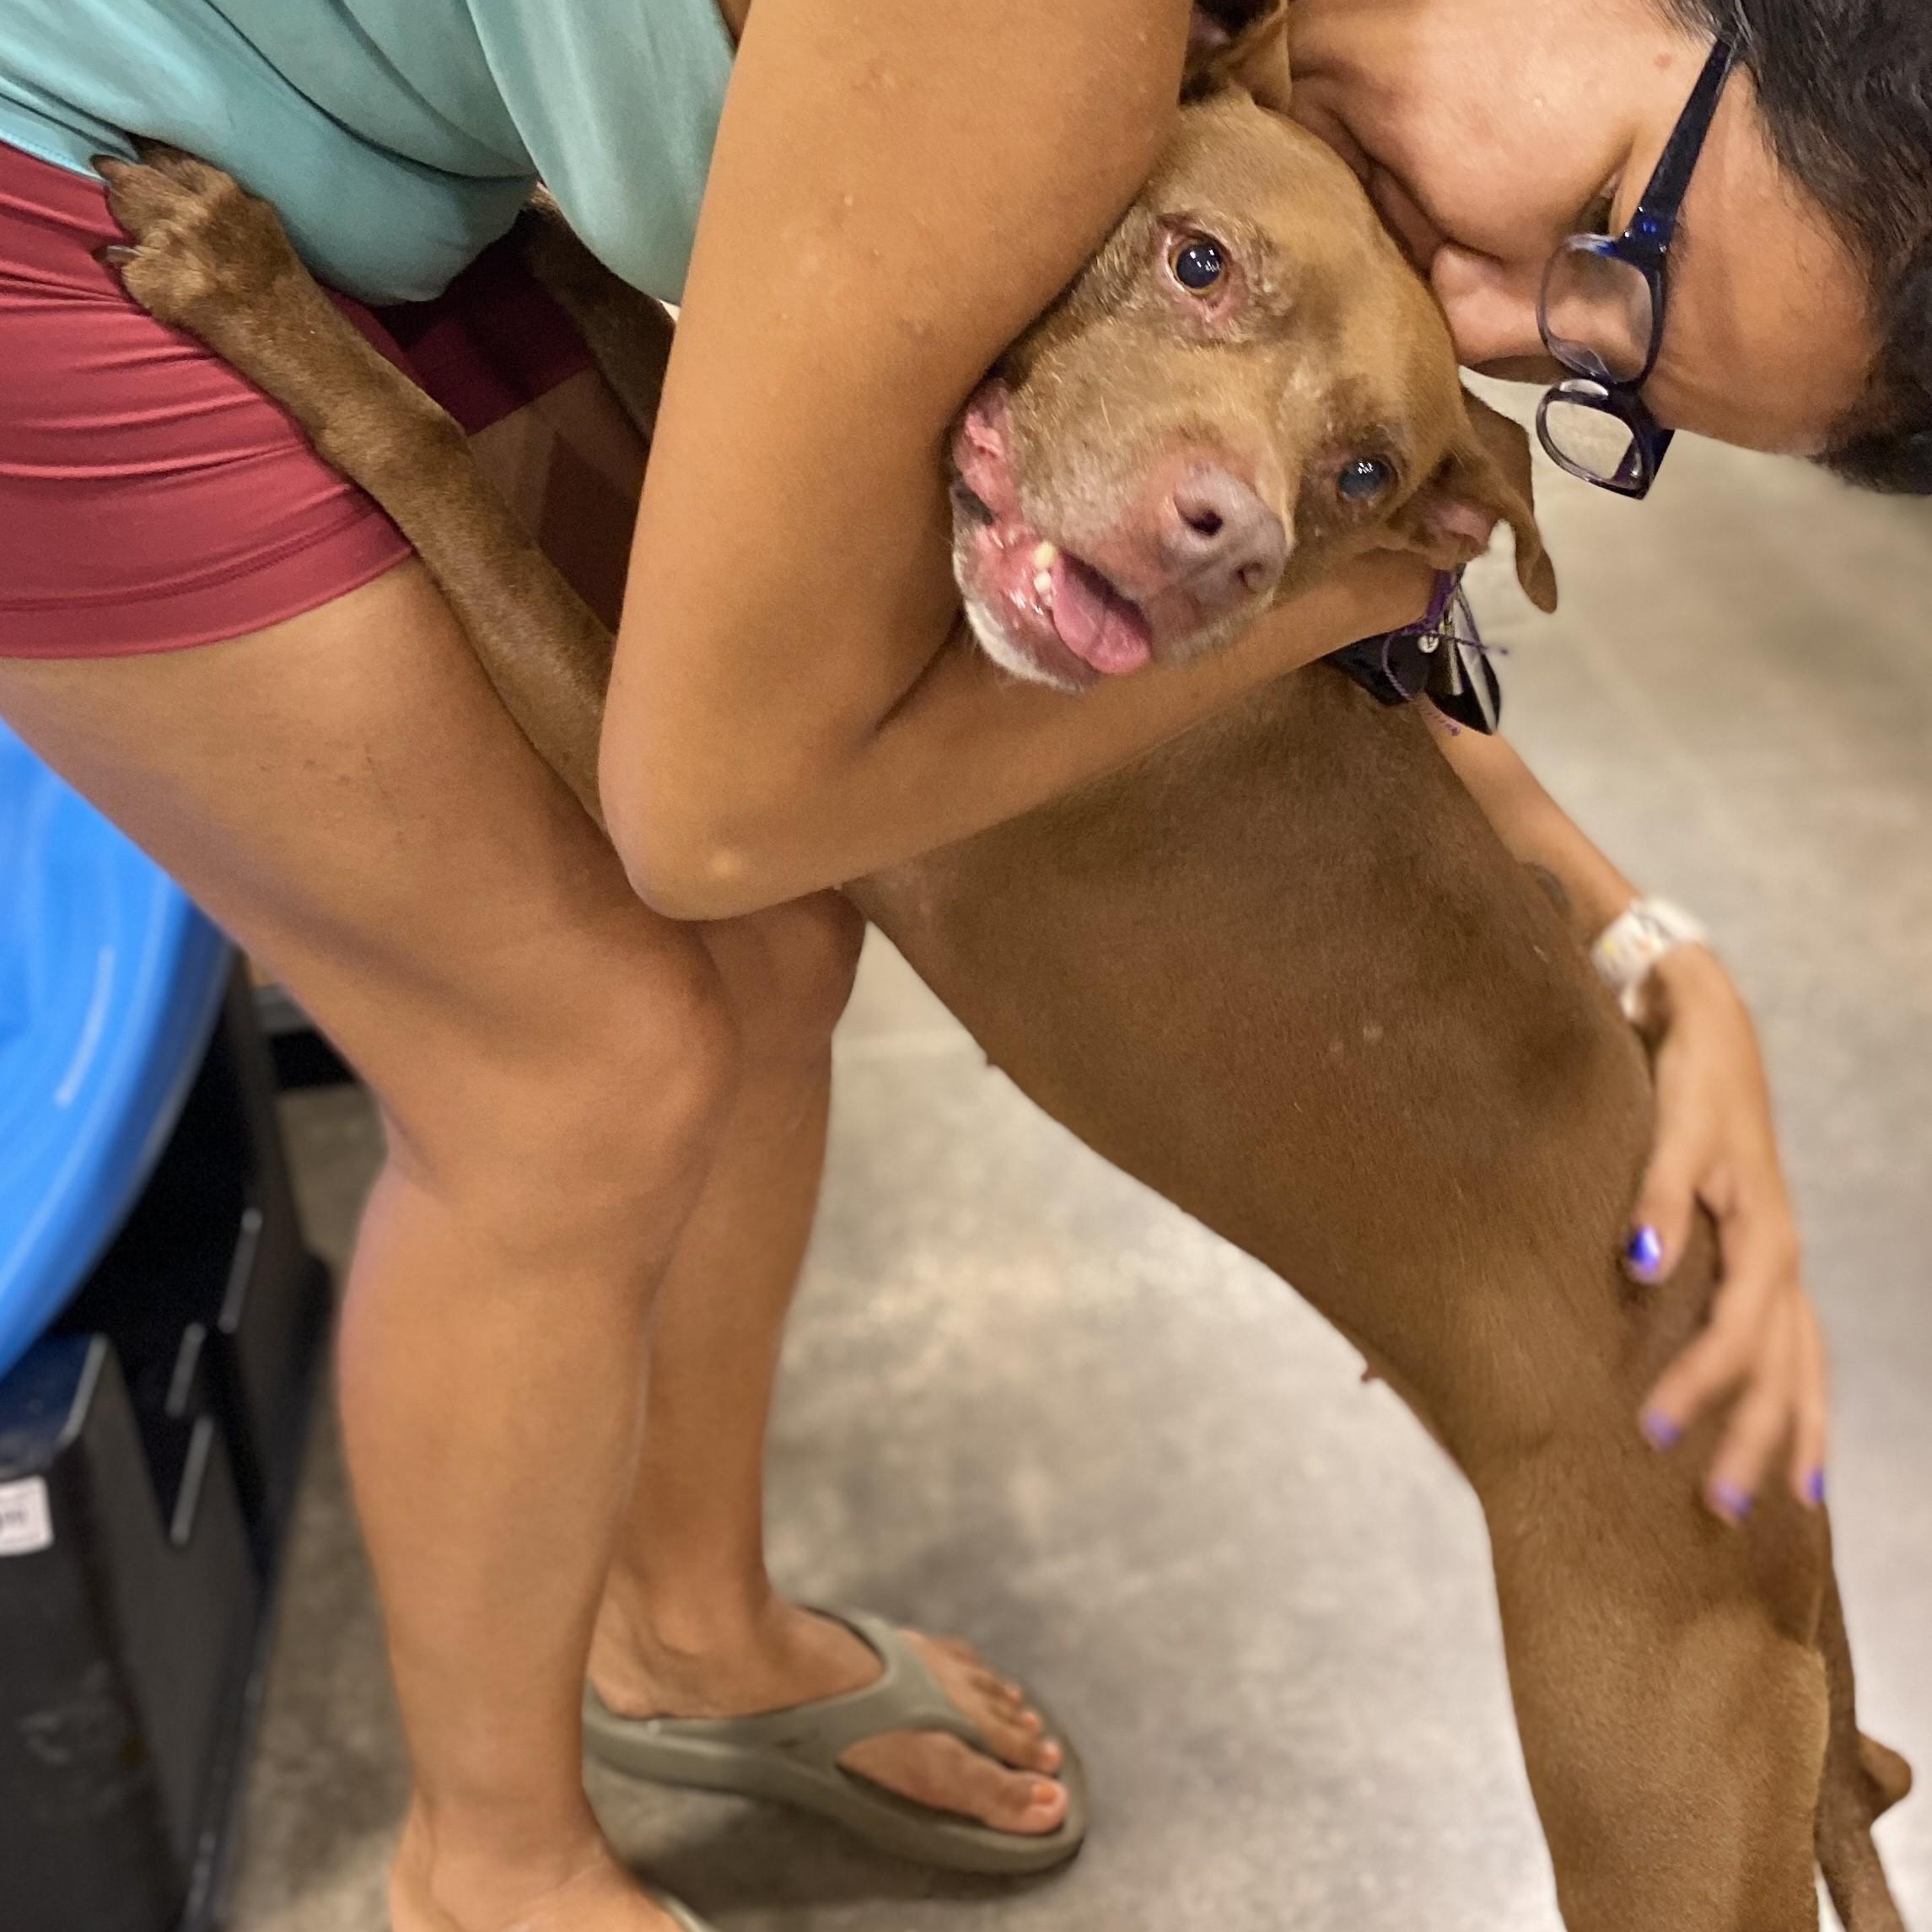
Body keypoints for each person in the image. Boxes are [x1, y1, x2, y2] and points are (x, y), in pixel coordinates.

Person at [0, 3, 1924, 1929]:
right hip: (133, 147)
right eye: (1611, 222)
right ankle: (489, 1868)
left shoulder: (1269, 235)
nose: (1501, 315)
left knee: (762, 959)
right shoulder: (1083, 72)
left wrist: (1655, 940)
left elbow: (1381, 705)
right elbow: (707, 810)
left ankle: (684, 1635)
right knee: (608, 1045)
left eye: (1605, 383)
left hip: (1625, 1420)